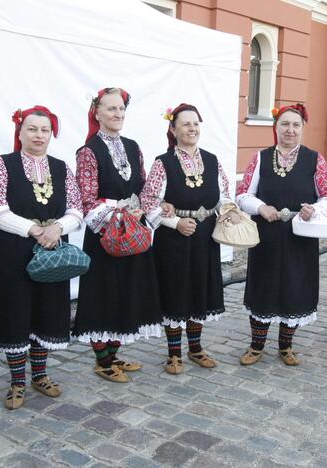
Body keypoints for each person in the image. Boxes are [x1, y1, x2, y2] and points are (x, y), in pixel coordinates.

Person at [0, 106, 83, 409]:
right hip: (14, 252)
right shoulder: (5, 164)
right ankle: (16, 382)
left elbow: (77, 209)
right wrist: (34, 230)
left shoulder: (61, 167)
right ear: (20, 131)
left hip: (54, 250)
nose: (39, 135)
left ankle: (39, 375)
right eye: (32, 129)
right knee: (16, 312)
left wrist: (57, 228)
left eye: (45, 130)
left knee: (46, 311)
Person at [235, 103, 327, 366]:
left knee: (295, 286)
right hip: (266, 235)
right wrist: (260, 207)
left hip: (300, 236)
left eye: (296, 125)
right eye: (285, 124)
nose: (290, 130)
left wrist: (312, 209)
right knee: (263, 286)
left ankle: (286, 346)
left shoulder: (315, 159)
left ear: (302, 128)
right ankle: (256, 346)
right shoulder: (260, 157)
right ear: (276, 127)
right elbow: (243, 194)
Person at [73, 88, 164, 383]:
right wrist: (119, 211)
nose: (118, 114)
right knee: (105, 294)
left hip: (133, 232)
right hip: (105, 236)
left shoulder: (133, 146)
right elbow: (86, 198)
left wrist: (140, 209)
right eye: (111, 109)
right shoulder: (88, 152)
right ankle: (102, 360)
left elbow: (144, 187)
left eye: (121, 109)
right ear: (96, 113)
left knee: (126, 292)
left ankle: (114, 353)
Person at [140, 103, 234, 375]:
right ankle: (173, 354)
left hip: (205, 236)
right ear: (173, 129)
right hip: (174, 239)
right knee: (175, 291)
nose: (192, 128)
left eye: (195, 124)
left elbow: (225, 194)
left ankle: (195, 348)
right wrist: (175, 222)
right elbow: (148, 201)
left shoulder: (212, 159)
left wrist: (229, 211)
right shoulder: (163, 162)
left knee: (199, 290)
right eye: (185, 124)